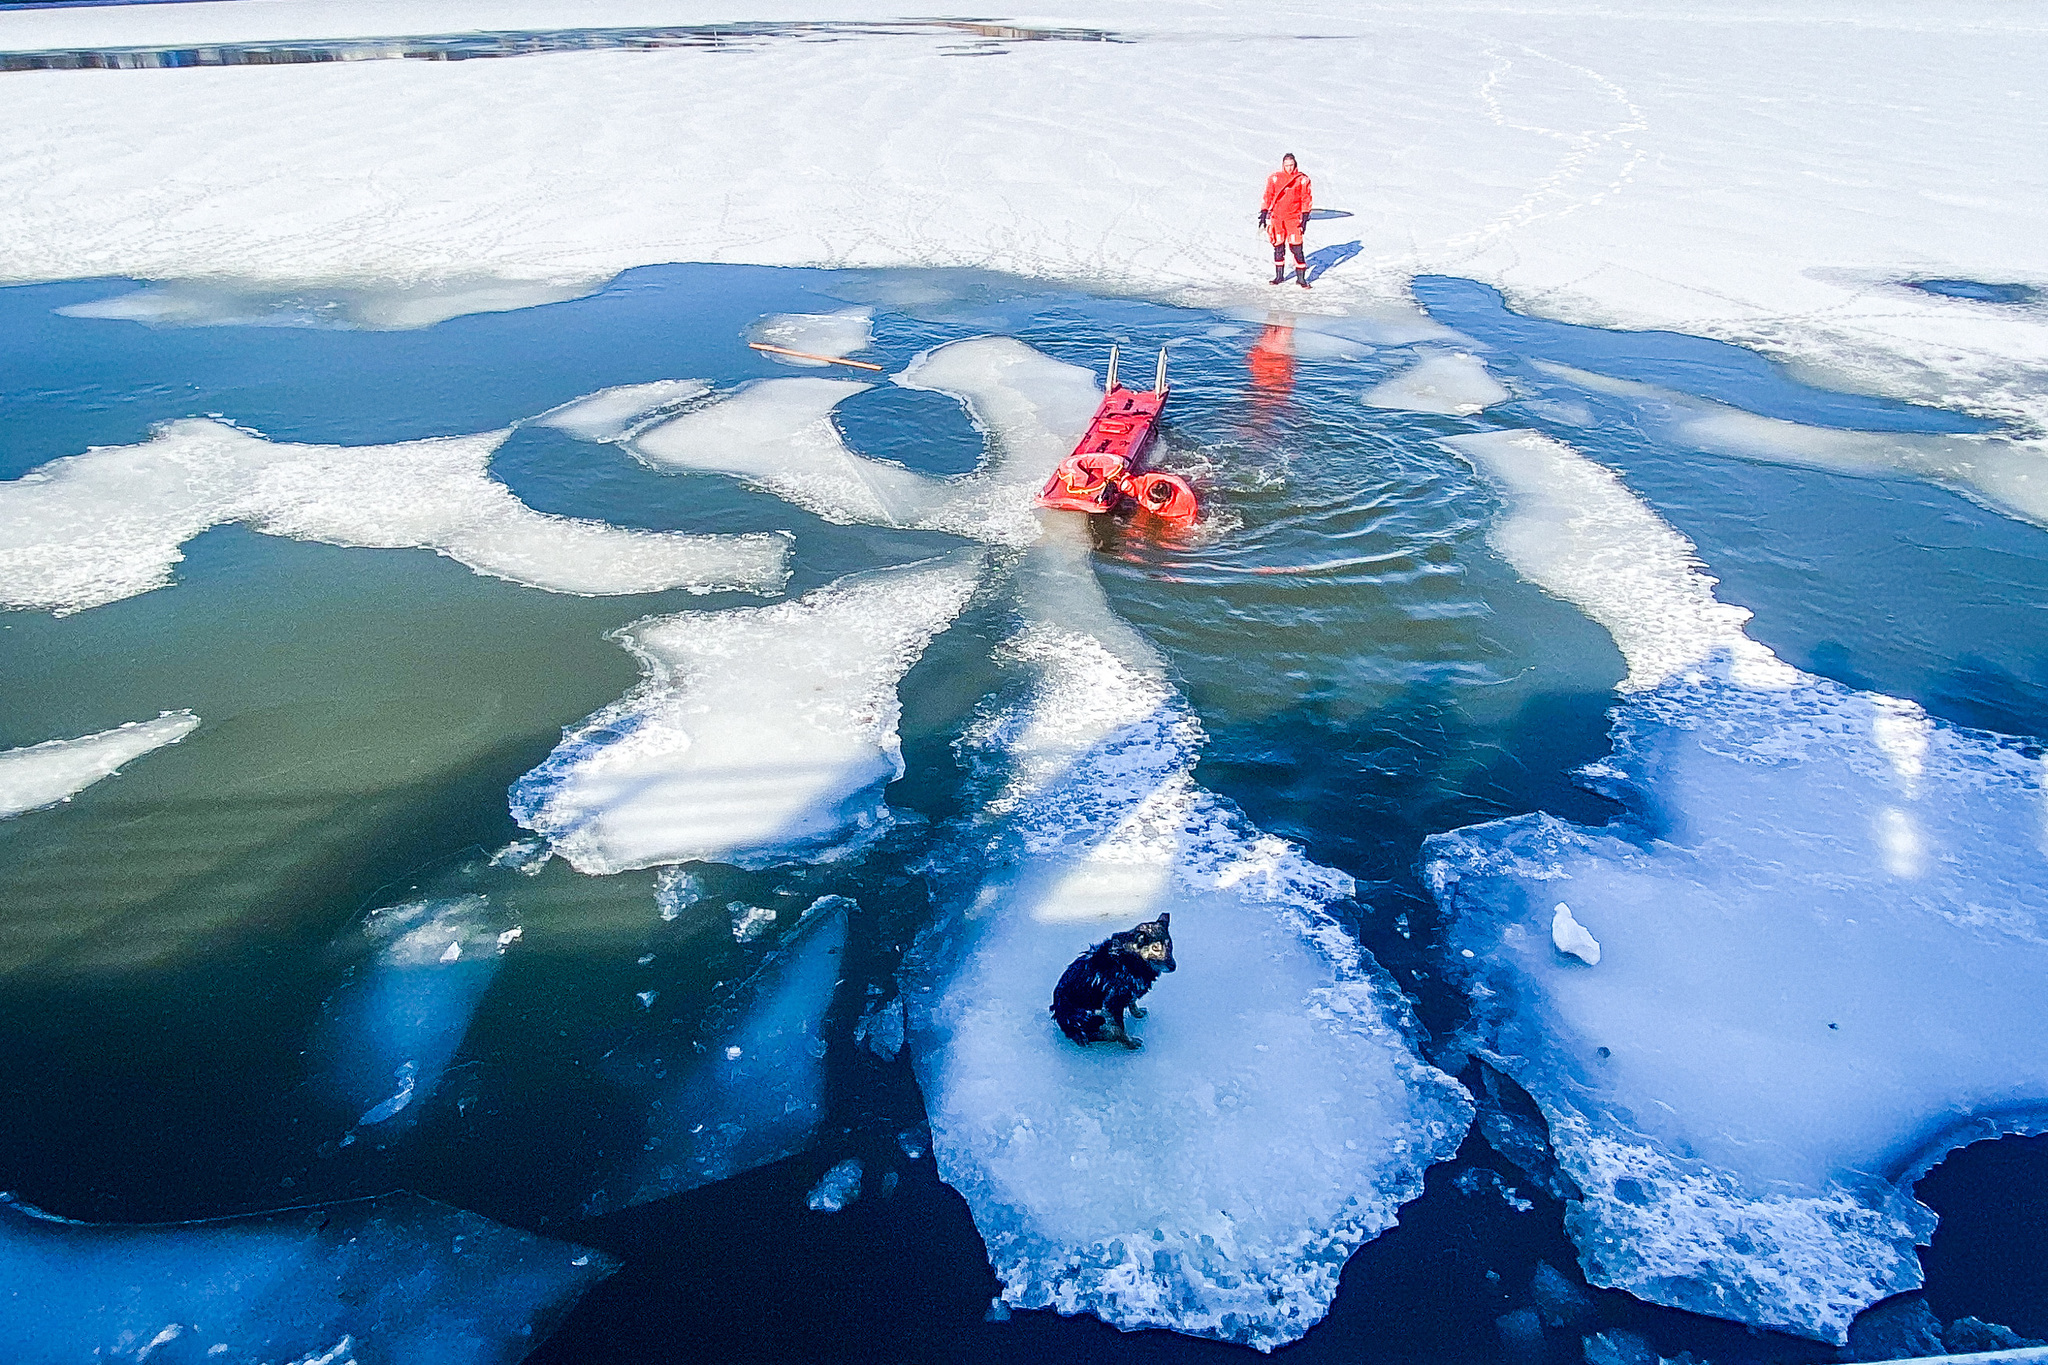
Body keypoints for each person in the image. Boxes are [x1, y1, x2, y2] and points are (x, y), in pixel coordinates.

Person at [1257, 153, 1314, 288]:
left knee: (1297, 248)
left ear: (1295, 165)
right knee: (1278, 247)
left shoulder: (1302, 179)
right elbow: (1268, 195)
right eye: (1286, 166)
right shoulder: (1275, 178)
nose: (1289, 168)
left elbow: (1306, 198)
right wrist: (1264, 212)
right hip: (1277, 218)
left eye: (1291, 165)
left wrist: (1305, 217)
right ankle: (1279, 276)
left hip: (1293, 219)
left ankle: (1301, 279)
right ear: (1283, 165)